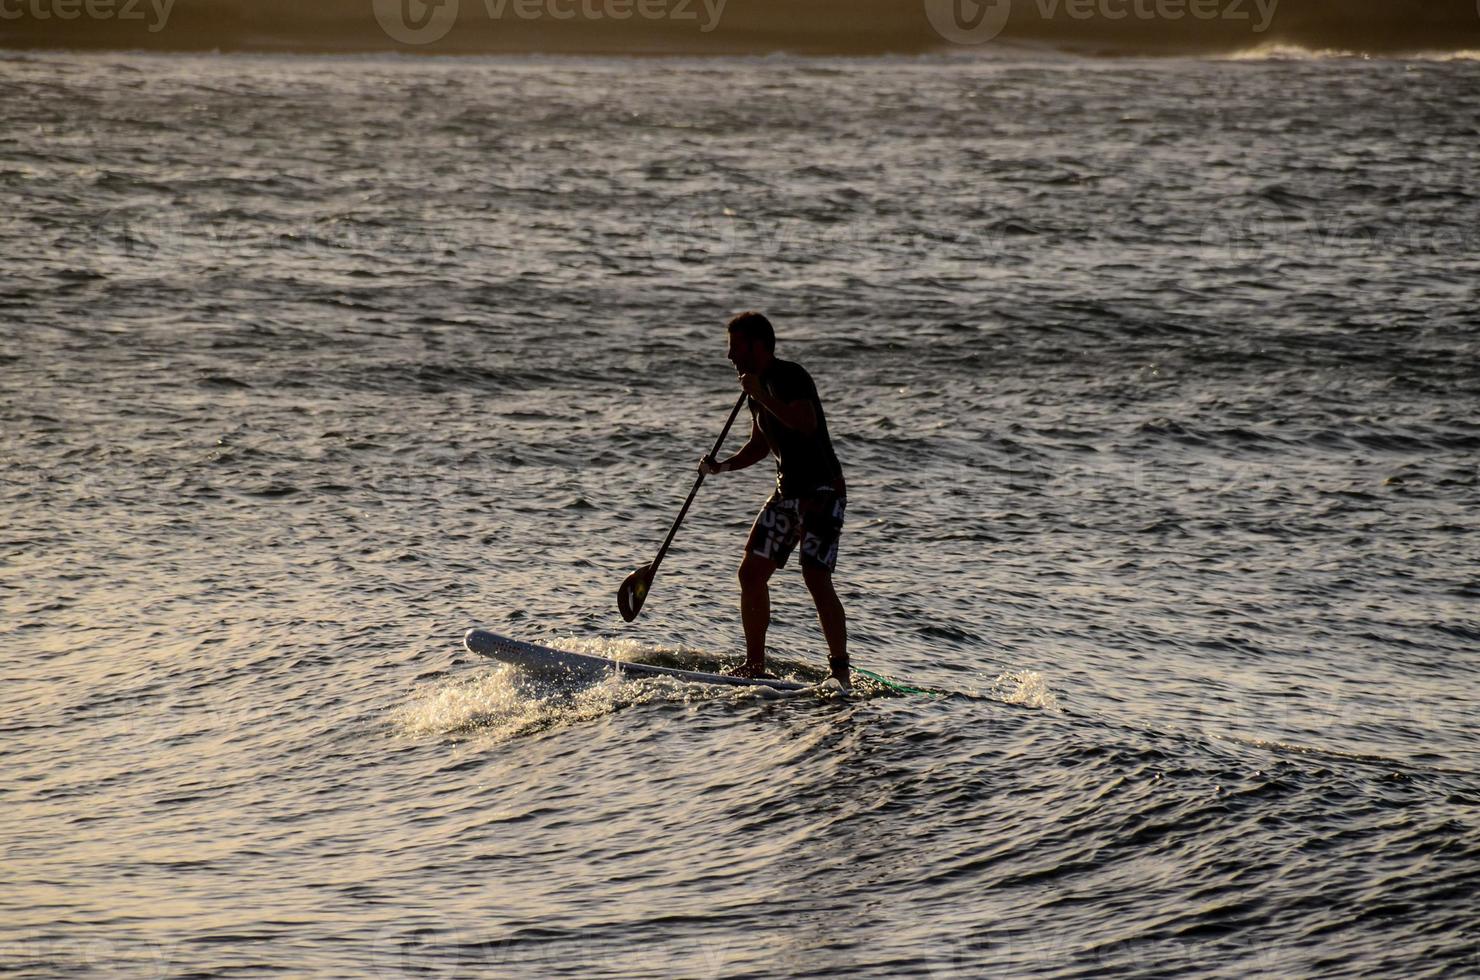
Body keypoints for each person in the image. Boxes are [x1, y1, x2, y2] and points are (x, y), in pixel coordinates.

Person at [699, 312, 849, 686]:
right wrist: (721, 468)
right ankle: (754, 665)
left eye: (736, 348)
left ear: (758, 345)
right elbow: (759, 445)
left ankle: (840, 673)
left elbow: (806, 422)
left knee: (815, 576)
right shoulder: (756, 387)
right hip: (788, 492)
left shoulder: (789, 376)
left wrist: (760, 394)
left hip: (822, 492)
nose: (730, 356)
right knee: (750, 573)